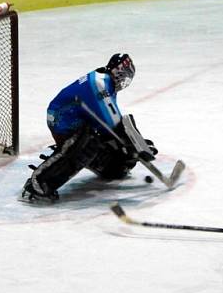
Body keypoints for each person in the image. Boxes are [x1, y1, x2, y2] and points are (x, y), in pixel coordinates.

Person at [22, 53, 157, 202]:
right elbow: (113, 123)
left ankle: (112, 166)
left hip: (80, 119)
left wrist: (135, 145)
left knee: (114, 155)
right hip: (64, 121)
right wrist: (136, 145)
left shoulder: (106, 81)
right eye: (125, 76)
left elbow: (112, 122)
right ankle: (39, 183)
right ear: (118, 72)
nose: (125, 81)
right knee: (87, 145)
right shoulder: (100, 83)